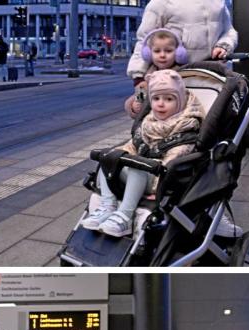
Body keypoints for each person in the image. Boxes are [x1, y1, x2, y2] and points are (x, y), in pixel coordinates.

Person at [82, 70, 203, 237]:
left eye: (169, 99)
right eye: (156, 98)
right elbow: (134, 145)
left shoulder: (185, 128)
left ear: (180, 101)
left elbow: (174, 160)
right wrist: (120, 155)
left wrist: (159, 188)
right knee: (108, 159)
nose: (161, 104)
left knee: (137, 167)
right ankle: (107, 205)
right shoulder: (149, 122)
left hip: (161, 177)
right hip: (142, 171)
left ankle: (125, 215)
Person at [126, 0, 237, 84]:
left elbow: (229, 31)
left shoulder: (218, 2)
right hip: (174, 77)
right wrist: (138, 77)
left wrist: (224, 45)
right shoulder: (161, 3)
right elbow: (145, 40)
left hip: (213, 74)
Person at [125, 28, 187, 118]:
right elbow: (140, 97)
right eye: (157, 51)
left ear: (178, 53)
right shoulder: (147, 75)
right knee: (129, 102)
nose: (162, 55)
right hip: (152, 118)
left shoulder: (181, 73)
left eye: (168, 51)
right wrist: (134, 106)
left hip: (175, 117)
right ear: (149, 54)